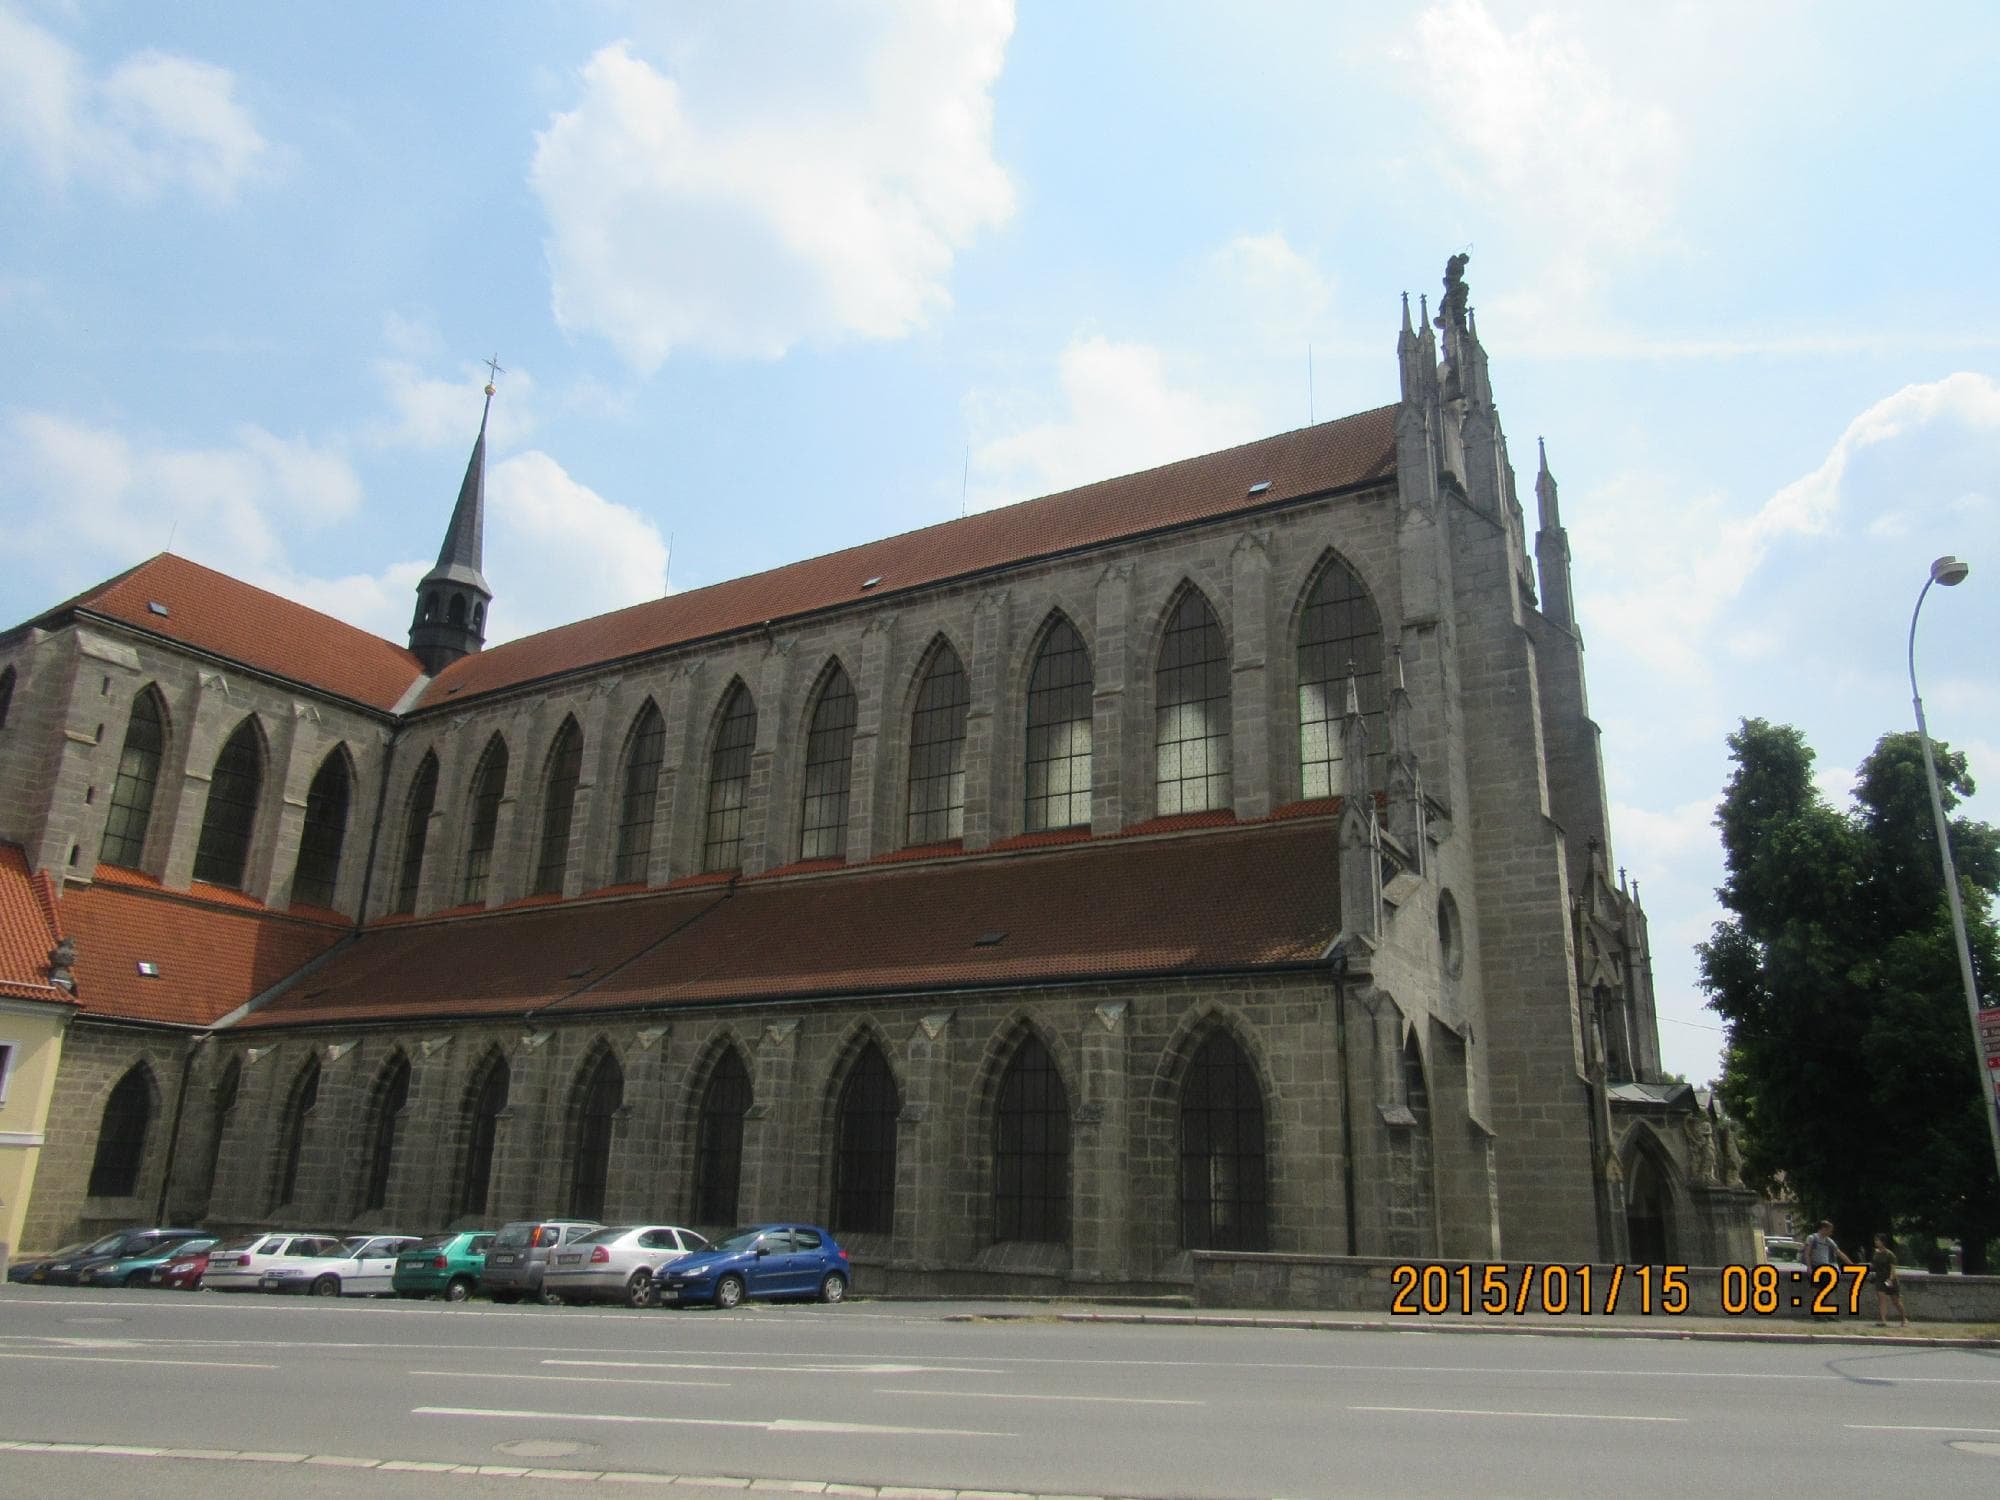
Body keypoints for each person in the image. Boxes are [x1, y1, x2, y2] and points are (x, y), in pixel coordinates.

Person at [1869, 1233, 1910, 1327]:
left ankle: (1904, 1318)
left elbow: (1893, 1269)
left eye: (1878, 1240)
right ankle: (1883, 1320)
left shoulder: (1889, 1254)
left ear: (1883, 1242)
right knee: (1881, 1299)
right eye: (1875, 1240)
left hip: (1889, 1280)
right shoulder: (1875, 1253)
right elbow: (1873, 1265)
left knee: (1895, 1300)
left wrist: (1891, 1279)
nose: (1876, 1242)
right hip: (1879, 1279)